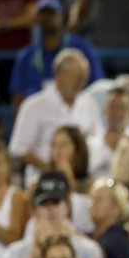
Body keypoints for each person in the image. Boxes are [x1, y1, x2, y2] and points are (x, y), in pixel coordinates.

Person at [2, 170, 103, 258]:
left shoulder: (89, 251)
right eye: (44, 204)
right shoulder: (14, 253)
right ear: (34, 212)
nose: (51, 209)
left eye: (56, 203)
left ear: (67, 208)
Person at [8, 49, 103, 184]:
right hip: (42, 181)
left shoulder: (89, 103)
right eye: (78, 78)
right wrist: (52, 169)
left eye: (84, 78)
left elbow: (97, 141)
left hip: (82, 180)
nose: (82, 83)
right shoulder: (34, 106)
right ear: (60, 75)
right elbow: (19, 149)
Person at [8, 0, 104, 105]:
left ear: (61, 17)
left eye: (52, 13)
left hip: (74, 113)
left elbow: (97, 86)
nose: (47, 18)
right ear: (37, 18)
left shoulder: (82, 48)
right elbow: (18, 96)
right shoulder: (26, 55)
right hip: (39, 115)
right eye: (43, 13)